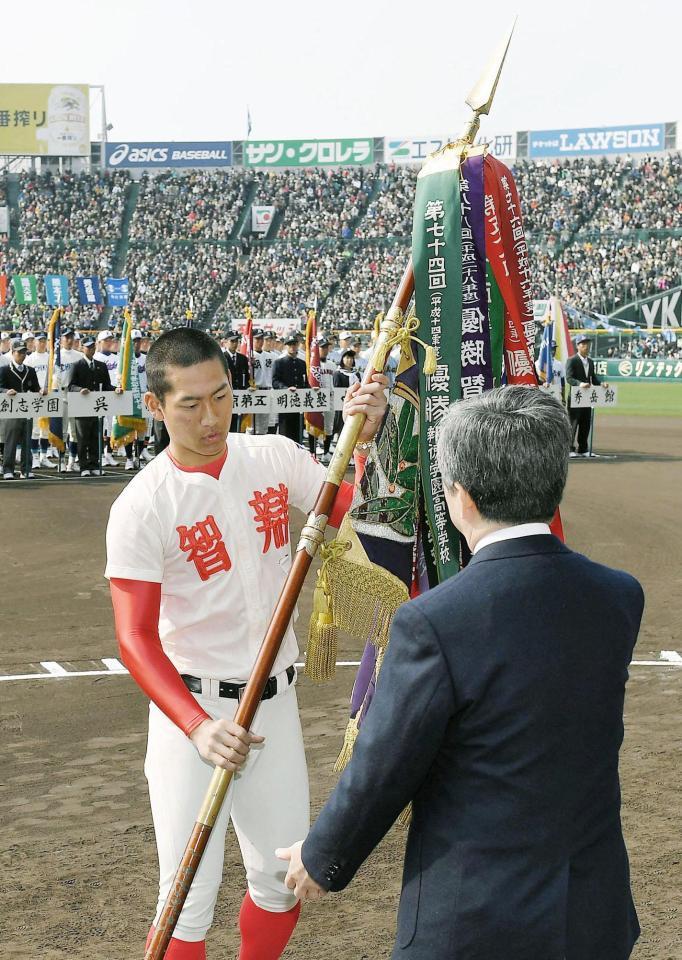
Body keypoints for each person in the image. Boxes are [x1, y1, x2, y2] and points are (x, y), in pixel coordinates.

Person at [279, 386, 644, 960]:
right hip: (590, 914)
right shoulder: (620, 597)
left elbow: (387, 762)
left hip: (475, 921)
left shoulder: (434, 621)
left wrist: (323, 855)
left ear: (460, 496)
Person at [104, 327, 387, 960]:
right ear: (155, 407)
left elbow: (342, 505)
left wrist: (358, 441)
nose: (211, 417)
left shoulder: (273, 457)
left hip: (272, 704)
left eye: (223, 396)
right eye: (190, 404)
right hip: (193, 717)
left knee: (281, 880)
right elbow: (134, 638)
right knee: (185, 901)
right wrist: (198, 726)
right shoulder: (142, 506)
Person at [66, 335, 116, 477]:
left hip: (96, 407)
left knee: (95, 437)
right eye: (88, 347)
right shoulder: (77, 365)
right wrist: (80, 390)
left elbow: (106, 385)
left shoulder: (101, 365)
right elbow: (71, 386)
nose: (91, 349)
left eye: (93, 347)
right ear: (82, 348)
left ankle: (94, 464)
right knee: (83, 438)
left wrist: (116, 389)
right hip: (81, 407)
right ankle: (84, 466)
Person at [0, 339, 42, 479]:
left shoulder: (30, 370)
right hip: (11, 411)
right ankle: (8, 469)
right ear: (12, 353)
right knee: (10, 441)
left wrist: (41, 391)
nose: (22, 355)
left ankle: (26, 469)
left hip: (27, 411)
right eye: (19, 352)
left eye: (24, 352)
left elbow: (35, 387)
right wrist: (6, 391)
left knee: (26, 441)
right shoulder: (4, 370)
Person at [566, 335, 606, 457]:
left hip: (587, 397)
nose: (586, 346)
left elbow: (593, 378)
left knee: (586, 422)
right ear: (577, 346)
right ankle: (569, 449)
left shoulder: (590, 361)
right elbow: (569, 378)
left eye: (587, 344)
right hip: (576, 395)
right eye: (583, 344)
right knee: (574, 423)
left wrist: (601, 384)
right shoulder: (572, 360)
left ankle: (583, 448)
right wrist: (580, 384)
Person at [25, 331, 58, 469]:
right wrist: (36, 389)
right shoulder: (30, 359)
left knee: (46, 429)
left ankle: (44, 456)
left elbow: (56, 376)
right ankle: (35, 457)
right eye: (39, 341)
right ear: (35, 342)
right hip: (35, 397)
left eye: (44, 341)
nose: (42, 343)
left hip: (49, 396)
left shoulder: (52, 358)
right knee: (35, 430)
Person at [272, 335, 307, 443]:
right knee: (285, 432)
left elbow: (305, 381)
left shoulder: (302, 363)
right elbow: (275, 381)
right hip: (285, 402)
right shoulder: (279, 362)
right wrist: (286, 388)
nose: (292, 347)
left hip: (298, 402)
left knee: (298, 431)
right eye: (290, 344)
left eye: (294, 344)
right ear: (286, 346)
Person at [223, 331, 250, 431]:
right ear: (226, 342)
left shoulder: (243, 358)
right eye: (232, 341)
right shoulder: (221, 358)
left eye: (236, 341)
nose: (235, 343)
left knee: (240, 426)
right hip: (227, 395)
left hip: (241, 395)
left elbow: (246, 377)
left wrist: (248, 387)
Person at [332, 349, 359, 439]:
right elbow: (337, 390)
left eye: (351, 358)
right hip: (341, 406)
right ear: (342, 359)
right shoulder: (338, 374)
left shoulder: (356, 374)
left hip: (355, 404)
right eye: (347, 357)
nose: (349, 360)